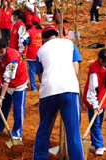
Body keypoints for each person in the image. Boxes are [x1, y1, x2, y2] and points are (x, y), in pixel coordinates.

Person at [33, 28, 83, 160]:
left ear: (44, 39)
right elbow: (76, 69)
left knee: (44, 128)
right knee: (73, 131)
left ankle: (39, 157)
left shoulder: (40, 50)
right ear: (57, 35)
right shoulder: (69, 44)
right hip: (69, 89)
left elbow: (41, 75)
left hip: (48, 91)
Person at [82, 49, 106, 156]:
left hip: (103, 95)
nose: (105, 64)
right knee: (95, 123)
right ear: (99, 59)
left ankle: (94, 143)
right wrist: (95, 105)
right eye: (103, 61)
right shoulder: (94, 70)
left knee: (99, 121)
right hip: (92, 98)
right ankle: (99, 145)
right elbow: (91, 91)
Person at [26, 23, 44, 91]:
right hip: (41, 54)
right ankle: (43, 85)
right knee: (41, 70)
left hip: (31, 54)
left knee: (32, 71)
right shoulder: (42, 31)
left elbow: (25, 42)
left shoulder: (29, 31)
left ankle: (33, 87)